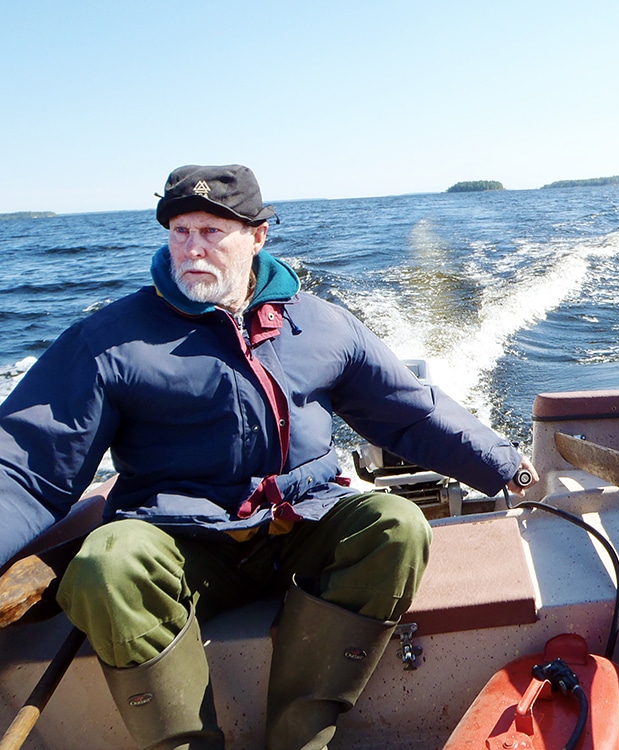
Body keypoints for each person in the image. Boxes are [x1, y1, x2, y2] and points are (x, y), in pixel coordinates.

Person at [0, 164, 538, 750]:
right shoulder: (108, 341)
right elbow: (27, 466)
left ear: (258, 236)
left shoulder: (320, 324)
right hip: (184, 548)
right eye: (180, 231)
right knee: (107, 564)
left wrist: (507, 465)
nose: (192, 248)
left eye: (212, 231)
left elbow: (408, 412)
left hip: (300, 530)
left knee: (395, 525)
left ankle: (300, 739)